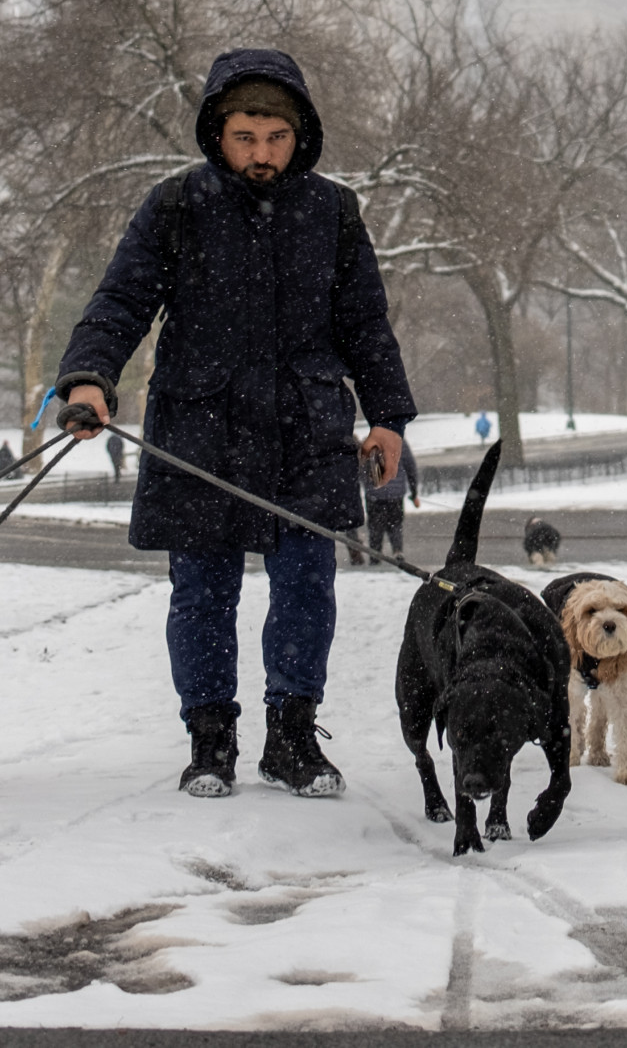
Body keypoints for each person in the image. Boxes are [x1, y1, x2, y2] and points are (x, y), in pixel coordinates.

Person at [56, 48, 415, 800]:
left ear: (299, 136)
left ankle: (291, 734)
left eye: (275, 139)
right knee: (202, 596)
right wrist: (90, 376)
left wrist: (388, 416)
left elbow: (366, 325)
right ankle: (209, 737)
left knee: (307, 590)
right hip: (200, 430)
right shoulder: (175, 206)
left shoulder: (333, 212)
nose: (261, 154)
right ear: (219, 132)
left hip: (306, 431)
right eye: (246, 137)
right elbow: (120, 300)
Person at [364, 448, 415, 565]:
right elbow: (410, 466)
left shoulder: (372, 439)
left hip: (375, 494)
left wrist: (368, 484)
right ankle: (397, 551)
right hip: (395, 494)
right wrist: (414, 489)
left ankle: (375, 555)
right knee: (395, 524)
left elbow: (363, 468)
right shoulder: (400, 442)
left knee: (375, 527)